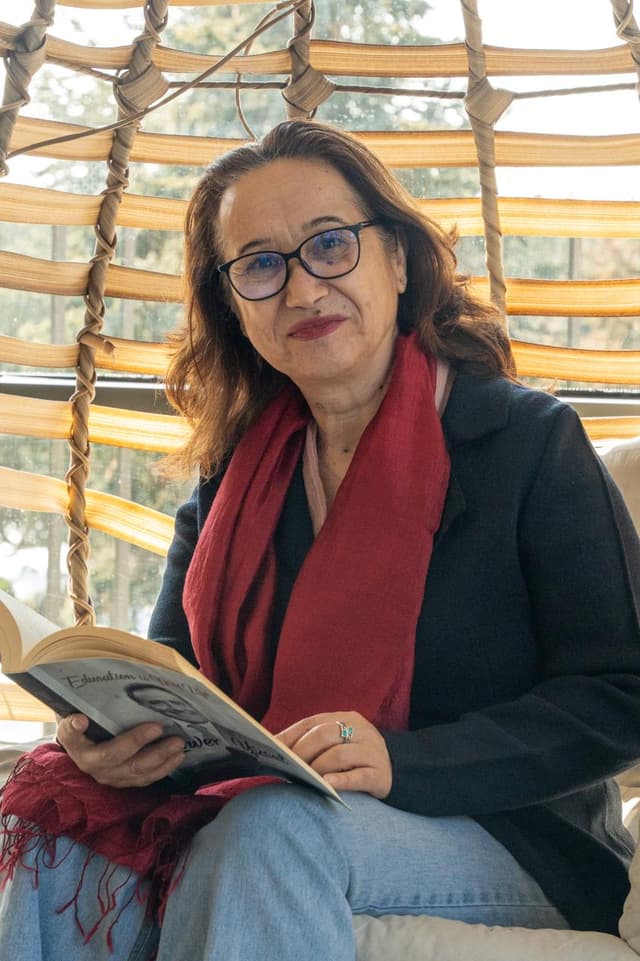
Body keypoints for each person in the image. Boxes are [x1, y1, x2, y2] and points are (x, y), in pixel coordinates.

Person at [1, 118, 640, 961]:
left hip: (509, 836)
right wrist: (117, 741)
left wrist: (404, 761)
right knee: (61, 816)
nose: (302, 290)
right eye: (261, 265)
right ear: (234, 305)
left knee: (272, 830)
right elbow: (175, 677)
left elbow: (619, 693)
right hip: (264, 806)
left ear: (398, 260)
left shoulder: (529, 443)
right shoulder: (232, 472)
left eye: (330, 245)